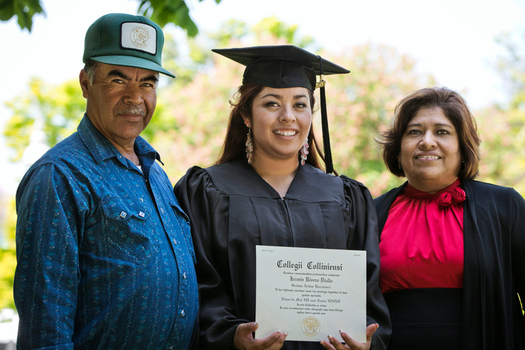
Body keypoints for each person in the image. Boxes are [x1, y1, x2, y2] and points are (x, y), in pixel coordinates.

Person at [174, 45, 391, 350]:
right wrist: (228, 335)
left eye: (300, 105)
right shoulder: (206, 191)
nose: (288, 117)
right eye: (272, 103)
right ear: (246, 115)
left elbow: (368, 293)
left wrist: (365, 340)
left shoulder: (346, 198)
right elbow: (195, 284)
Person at [14, 13, 198, 349]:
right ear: (86, 83)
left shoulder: (156, 172)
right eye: (118, 80)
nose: (135, 97)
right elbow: (45, 327)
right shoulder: (58, 175)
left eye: (148, 83)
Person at [374, 87, 525, 349]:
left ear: (462, 147)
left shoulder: (505, 207)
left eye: (442, 132)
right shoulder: (371, 214)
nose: (427, 142)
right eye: (414, 132)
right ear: (398, 148)